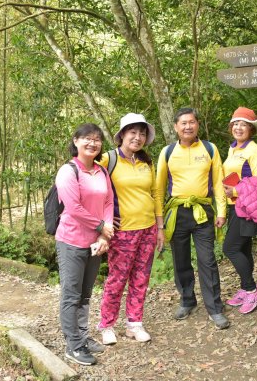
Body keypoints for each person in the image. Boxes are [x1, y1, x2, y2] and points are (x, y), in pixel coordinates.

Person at [155, 107, 230, 330]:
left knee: (207, 259)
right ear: (176, 127)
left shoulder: (209, 149)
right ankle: (187, 300)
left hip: (203, 210)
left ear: (198, 124)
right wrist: (160, 222)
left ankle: (215, 308)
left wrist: (222, 211)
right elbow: (159, 189)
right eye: (183, 123)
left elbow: (218, 182)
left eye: (192, 122)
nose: (188, 126)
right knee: (181, 260)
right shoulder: (167, 152)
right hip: (177, 212)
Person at [97, 113, 164, 345]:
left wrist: (160, 226)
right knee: (117, 277)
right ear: (122, 135)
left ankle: (134, 324)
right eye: (133, 132)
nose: (137, 137)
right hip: (123, 230)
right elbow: (91, 186)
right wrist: (101, 222)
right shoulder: (108, 159)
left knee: (141, 277)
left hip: (148, 228)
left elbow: (155, 193)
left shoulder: (147, 161)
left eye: (142, 133)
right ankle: (107, 325)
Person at [55, 123, 114, 366]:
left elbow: (109, 202)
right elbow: (74, 208)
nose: (92, 143)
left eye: (97, 139)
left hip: (95, 243)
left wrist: (103, 234)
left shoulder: (101, 171)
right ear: (76, 141)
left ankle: (82, 336)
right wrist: (102, 227)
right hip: (71, 241)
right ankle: (73, 345)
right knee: (71, 295)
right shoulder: (68, 171)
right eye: (87, 139)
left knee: (86, 294)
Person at [222, 107, 257, 314]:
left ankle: (252, 288)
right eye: (236, 124)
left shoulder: (255, 151)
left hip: (248, 208)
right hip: (235, 207)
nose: (239, 128)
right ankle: (245, 287)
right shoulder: (233, 149)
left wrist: (236, 190)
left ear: (251, 129)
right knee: (244, 249)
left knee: (230, 248)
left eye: (244, 124)